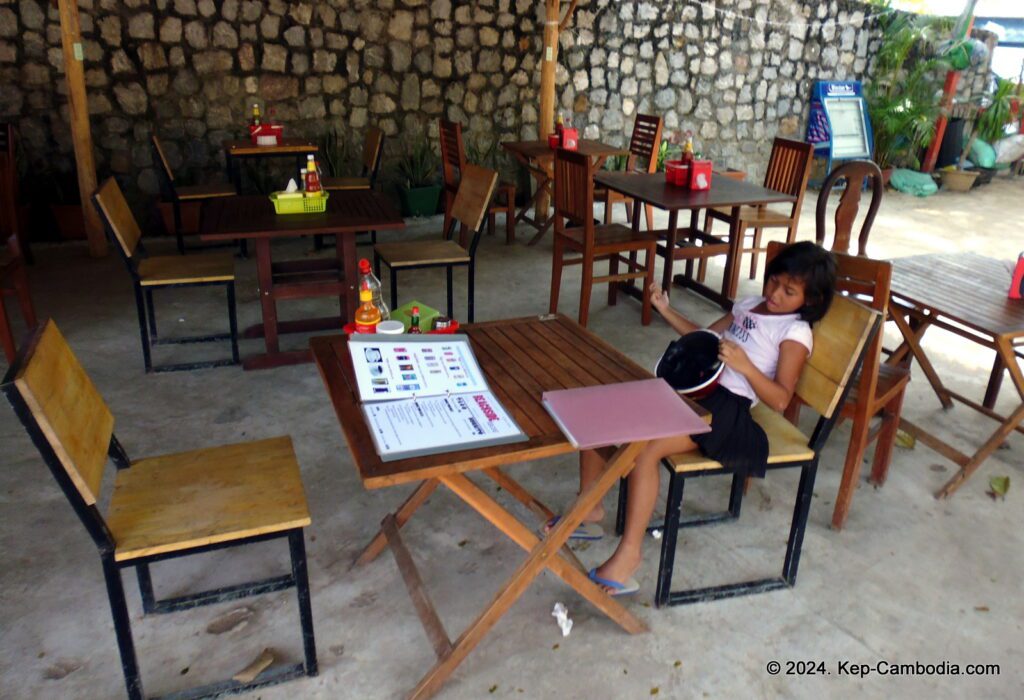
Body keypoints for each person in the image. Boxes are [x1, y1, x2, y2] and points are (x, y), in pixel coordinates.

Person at [554, 241, 836, 595]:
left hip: (726, 411)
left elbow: (780, 399)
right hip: (700, 389)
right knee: (608, 409)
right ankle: (589, 509)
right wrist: (664, 310)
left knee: (644, 449)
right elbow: (703, 339)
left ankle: (629, 557)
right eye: (774, 282)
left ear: (809, 300)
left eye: (788, 291)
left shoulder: (794, 332)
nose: (775, 294)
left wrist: (745, 366)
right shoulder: (749, 305)